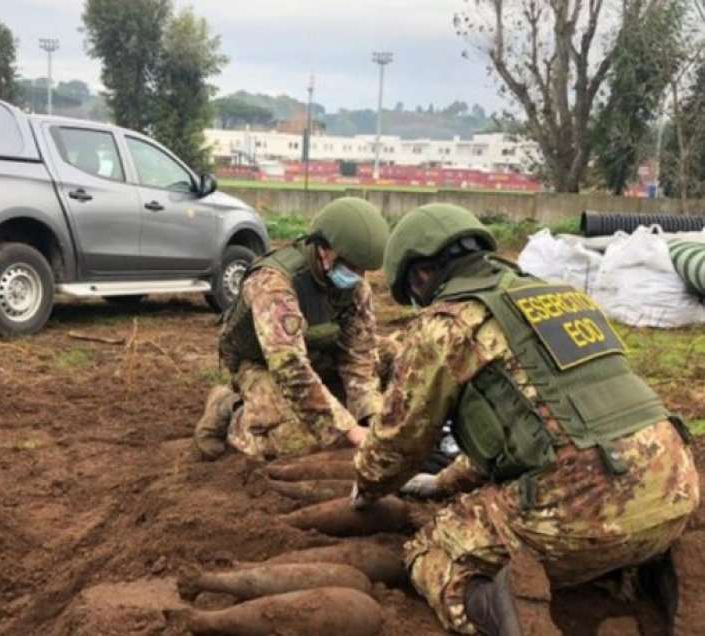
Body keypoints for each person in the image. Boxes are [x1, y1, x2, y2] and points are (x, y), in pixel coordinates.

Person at [351, 203, 700, 635]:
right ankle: (663, 567)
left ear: (421, 275)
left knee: (433, 550)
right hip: (675, 486)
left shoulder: (445, 325)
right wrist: (443, 482)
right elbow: (544, 424)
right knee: (609, 523)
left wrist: (367, 486)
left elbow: (398, 441)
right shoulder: (564, 296)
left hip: (581, 508)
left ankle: (509, 614)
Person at [194, 197, 390, 462]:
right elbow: (289, 367)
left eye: (362, 270)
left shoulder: (354, 288)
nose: (358, 277)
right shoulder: (273, 284)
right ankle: (232, 409)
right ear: (323, 250)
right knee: (294, 443)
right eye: (351, 267)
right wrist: (350, 429)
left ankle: (334, 405)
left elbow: (360, 355)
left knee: (397, 352)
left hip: (315, 353)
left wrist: (371, 416)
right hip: (261, 363)